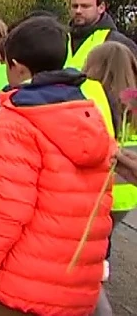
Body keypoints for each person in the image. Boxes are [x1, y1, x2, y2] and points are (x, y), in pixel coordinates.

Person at [0, 16, 117, 316]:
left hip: (23, 286)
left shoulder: (17, 121)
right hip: (77, 285)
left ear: (17, 66)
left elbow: (6, 212)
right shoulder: (88, 113)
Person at [83, 42, 137, 312]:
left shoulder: (93, 99)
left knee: (86, 265)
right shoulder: (133, 102)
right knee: (100, 251)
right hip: (127, 197)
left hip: (100, 193)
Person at [66, 0, 137, 70]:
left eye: (85, 6)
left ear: (101, 8)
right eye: (75, 6)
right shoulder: (61, 37)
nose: (78, 11)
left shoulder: (117, 42)